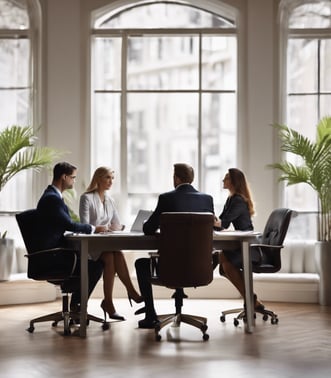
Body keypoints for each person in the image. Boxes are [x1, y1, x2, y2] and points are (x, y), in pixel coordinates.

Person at [135, 163, 215, 328]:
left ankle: (150, 315)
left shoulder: (166, 199)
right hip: (199, 269)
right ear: (191, 179)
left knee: (141, 264)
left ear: (176, 178)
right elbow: (213, 227)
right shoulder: (207, 199)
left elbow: (148, 228)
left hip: (169, 268)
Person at [36, 162, 104, 313]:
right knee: (96, 267)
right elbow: (69, 224)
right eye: (73, 177)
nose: (74, 181)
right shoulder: (52, 199)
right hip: (53, 258)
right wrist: (94, 228)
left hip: (52, 254)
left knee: (91, 263)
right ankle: (77, 306)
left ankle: (76, 305)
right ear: (64, 177)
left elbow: (61, 225)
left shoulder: (52, 196)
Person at [79, 167, 143, 321]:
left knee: (116, 253)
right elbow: (84, 225)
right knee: (110, 256)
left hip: (106, 245)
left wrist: (120, 227)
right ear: (98, 179)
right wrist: (98, 229)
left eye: (112, 178)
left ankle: (113, 300)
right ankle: (124, 296)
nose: (110, 181)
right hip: (91, 246)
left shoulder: (110, 200)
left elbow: (116, 224)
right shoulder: (86, 198)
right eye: (107, 177)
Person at [213, 168, 264, 310]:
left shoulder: (238, 200)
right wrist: (213, 221)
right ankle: (252, 299)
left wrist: (212, 221)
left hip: (249, 246)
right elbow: (223, 223)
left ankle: (251, 300)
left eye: (226, 178)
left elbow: (223, 223)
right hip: (241, 243)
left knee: (224, 262)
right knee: (223, 262)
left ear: (234, 181)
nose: (223, 180)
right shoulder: (231, 198)